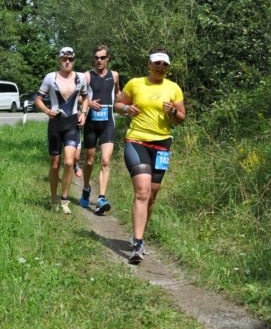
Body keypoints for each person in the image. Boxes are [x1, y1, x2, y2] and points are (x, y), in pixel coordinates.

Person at [114, 48, 186, 263]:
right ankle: (136, 245)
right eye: (157, 63)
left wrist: (173, 112)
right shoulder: (135, 83)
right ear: (149, 64)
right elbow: (118, 104)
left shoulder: (173, 88)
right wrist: (127, 110)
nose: (161, 67)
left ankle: (140, 236)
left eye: (165, 64)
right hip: (137, 141)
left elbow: (181, 118)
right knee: (142, 191)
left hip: (162, 144)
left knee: (152, 194)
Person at [35, 47, 89, 214]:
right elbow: (38, 99)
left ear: (74, 60)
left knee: (68, 162)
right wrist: (46, 110)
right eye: (64, 59)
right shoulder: (50, 78)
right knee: (55, 163)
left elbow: (86, 97)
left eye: (71, 59)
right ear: (60, 60)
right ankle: (53, 198)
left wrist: (84, 113)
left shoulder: (80, 78)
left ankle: (64, 200)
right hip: (55, 123)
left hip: (72, 123)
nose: (67, 62)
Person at [79, 44, 120, 214]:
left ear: (108, 59)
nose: (99, 61)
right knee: (89, 161)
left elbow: (119, 95)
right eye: (96, 58)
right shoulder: (87, 76)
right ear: (93, 59)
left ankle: (102, 197)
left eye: (102, 57)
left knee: (105, 160)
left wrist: (129, 105)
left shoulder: (115, 75)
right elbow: (78, 97)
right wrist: (88, 103)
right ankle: (87, 187)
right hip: (91, 123)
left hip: (108, 123)